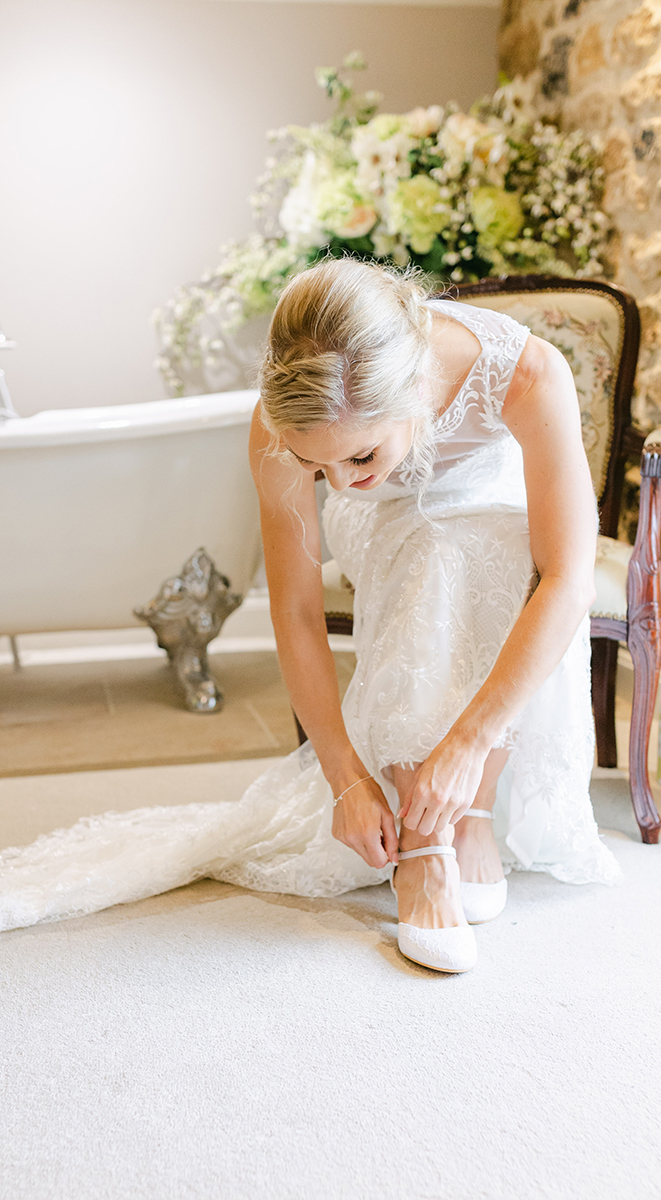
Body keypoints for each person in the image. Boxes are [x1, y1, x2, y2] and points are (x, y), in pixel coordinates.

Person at [0, 258, 620, 968]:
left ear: (414, 389)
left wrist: (468, 744)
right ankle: (426, 847)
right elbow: (294, 611)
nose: (341, 482)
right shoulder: (285, 429)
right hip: (388, 526)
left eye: (360, 453)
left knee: (492, 547)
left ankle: (467, 810)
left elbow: (569, 577)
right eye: (315, 467)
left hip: (495, 499)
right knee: (432, 552)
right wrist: (347, 780)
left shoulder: (527, 370)